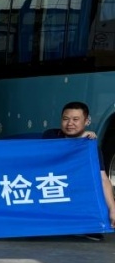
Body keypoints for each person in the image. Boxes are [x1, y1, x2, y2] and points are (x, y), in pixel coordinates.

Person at [44, 101, 115, 236]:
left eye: (75, 119)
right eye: (66, 119)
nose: (70, 123)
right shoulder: (50, 135)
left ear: (87, 121)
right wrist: (79, 140)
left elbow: (103, 179)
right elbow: (56, 148)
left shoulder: (91, 149)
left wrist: (113, 208)